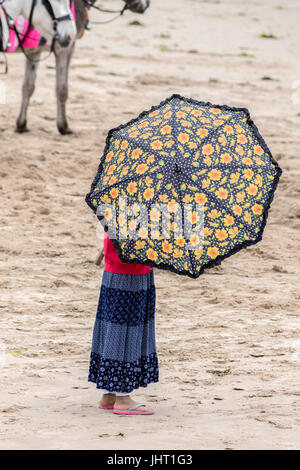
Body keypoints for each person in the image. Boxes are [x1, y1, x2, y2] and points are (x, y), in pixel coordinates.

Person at [88, 232, 158, 415]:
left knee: (112, 326)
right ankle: (123, 397)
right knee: (126, 329)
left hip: (118, 262)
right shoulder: (133, 206)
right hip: (131, 266)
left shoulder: (114, 204)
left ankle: (109, 394)